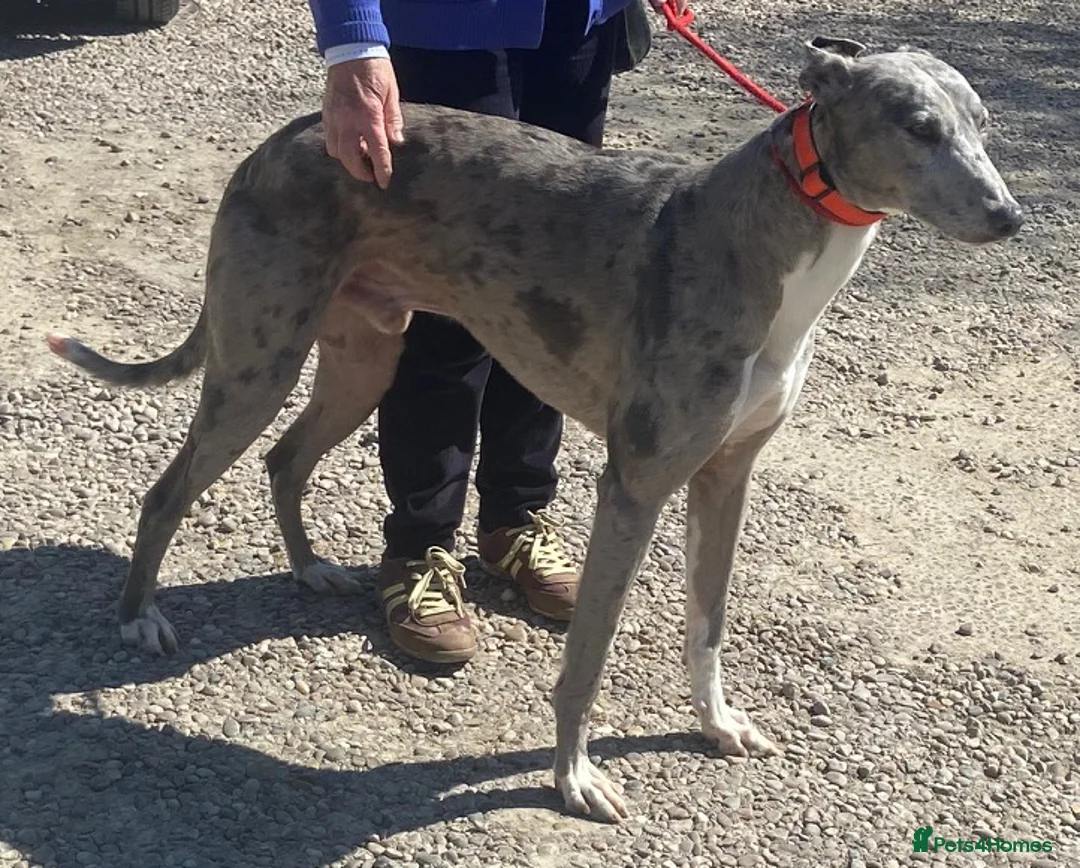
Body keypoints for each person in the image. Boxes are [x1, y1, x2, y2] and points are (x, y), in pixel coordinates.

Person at [306, 0, 672, 664]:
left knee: (552, 293)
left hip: (575, 28)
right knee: (442, 307)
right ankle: (419, 547)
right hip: (445, 29)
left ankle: (516, 519)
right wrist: (352, 41)